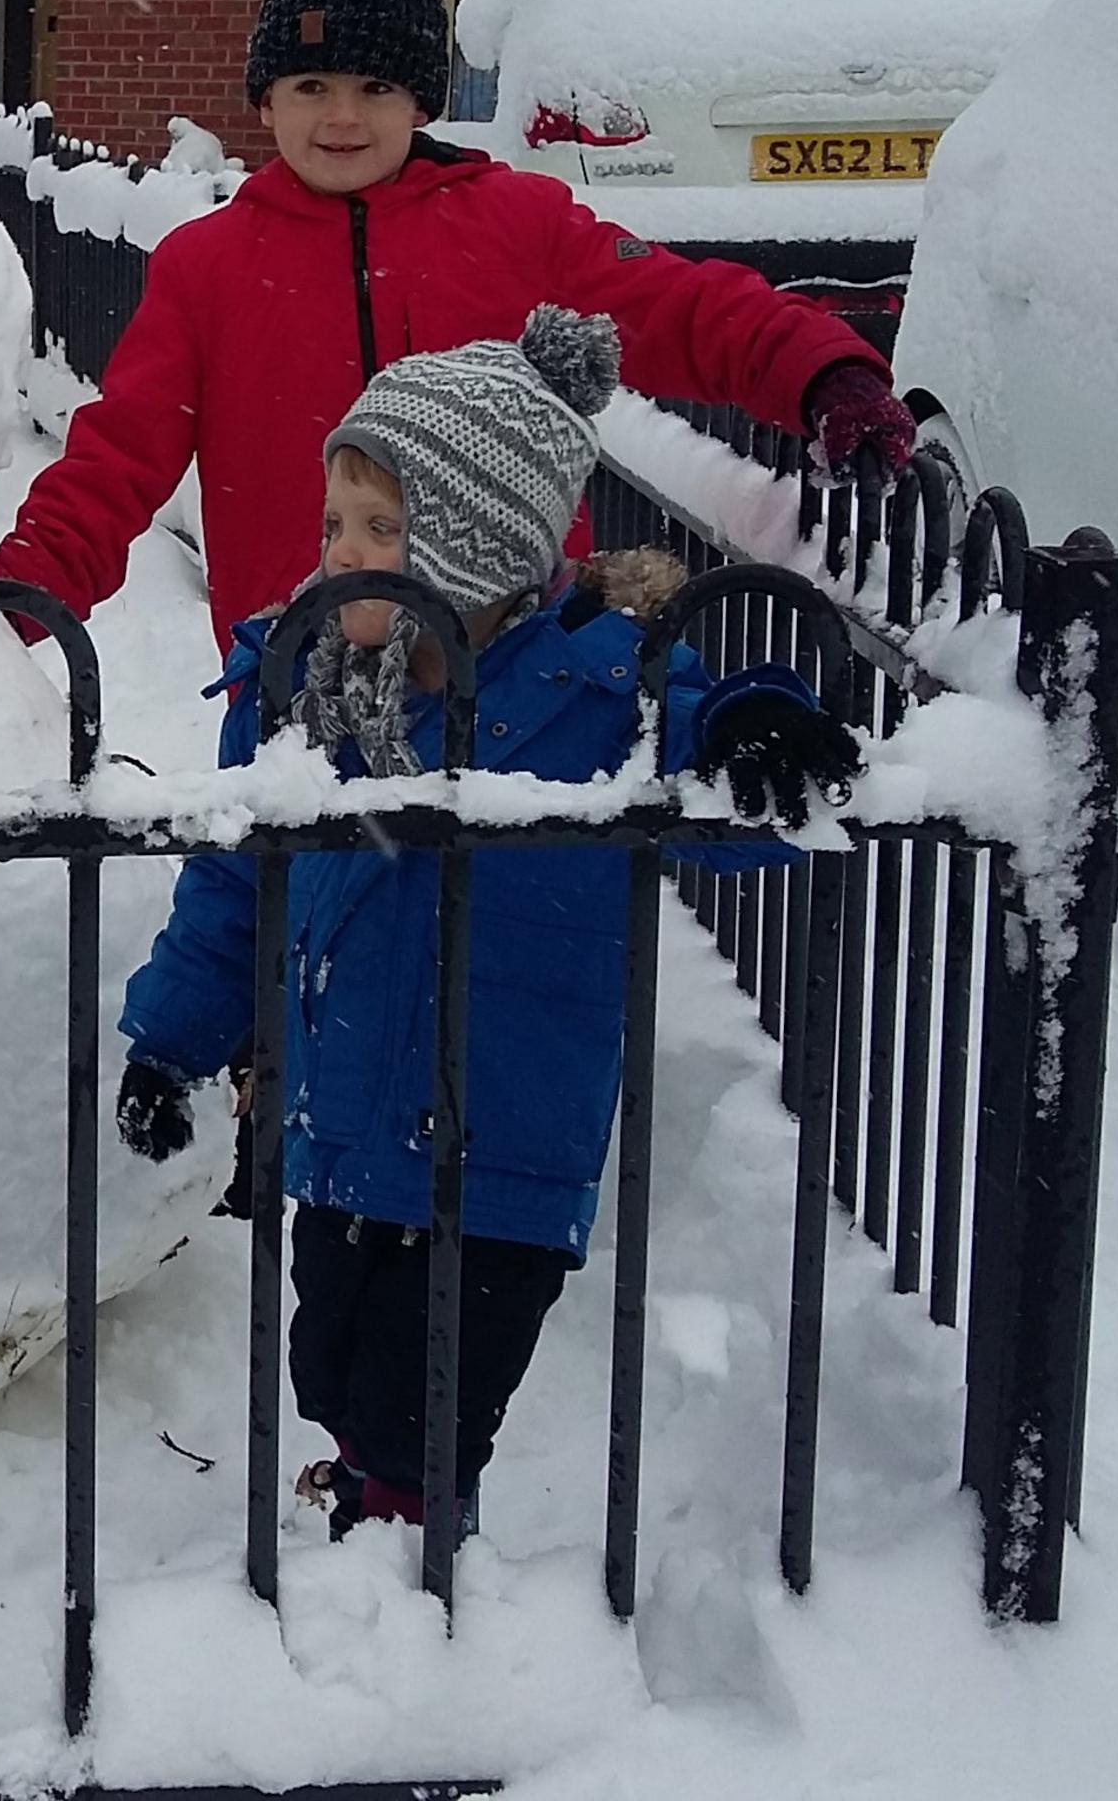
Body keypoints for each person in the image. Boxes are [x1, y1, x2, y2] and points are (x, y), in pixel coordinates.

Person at [109, 306, 863, 1535]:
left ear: (471, 546)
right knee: (336, 1359)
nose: (342, 554)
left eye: (381, 530)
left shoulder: (599, 683)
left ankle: (410, 1558)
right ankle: (370, 1484)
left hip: (501, 1133)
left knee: (430, 1400)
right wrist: (173, 1039)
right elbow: (240, 884)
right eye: (335, 524)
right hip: (340, 1114)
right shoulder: (302, 690)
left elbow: (719, 787)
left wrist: (744, 727)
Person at [0, 0, 920, 645]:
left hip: (514, 653)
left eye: (376, 87)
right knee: (308, 880)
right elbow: (118, 460)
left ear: (422, 102)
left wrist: (818, 370)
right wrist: (7, 609)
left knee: (509, 873)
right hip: (303, 664)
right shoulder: (209, 266)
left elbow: (677, 306)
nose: (342, 117)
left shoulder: (518, 225)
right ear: (266, 103)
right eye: (311, 85)